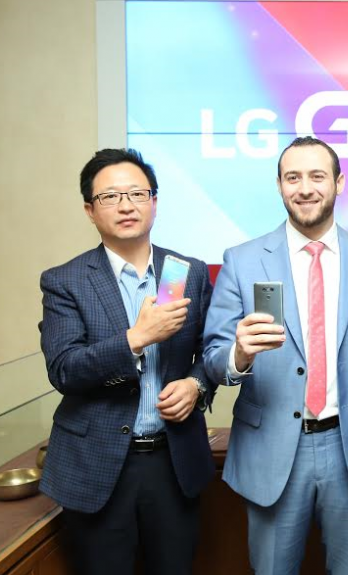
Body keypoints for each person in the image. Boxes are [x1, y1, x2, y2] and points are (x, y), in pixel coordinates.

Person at [203, 136, 348, 575]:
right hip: (271, 449)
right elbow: (213, 359)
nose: (305, 188)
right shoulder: (242, 261)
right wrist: (239, 354)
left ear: (339, 183)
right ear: (279, 185)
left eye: (317, 176)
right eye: (292, 177)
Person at [39, 148, 216, 575]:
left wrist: (196, 385)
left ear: (154, 202)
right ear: (90, 209)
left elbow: (209, 353)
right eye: (110, 197)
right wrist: (136, 339)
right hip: (97, 465)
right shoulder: (66, 281)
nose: (126, 205)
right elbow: (64, 369)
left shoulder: (186, 272)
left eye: (137, 194)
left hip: (173, 462)